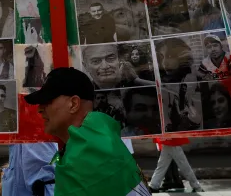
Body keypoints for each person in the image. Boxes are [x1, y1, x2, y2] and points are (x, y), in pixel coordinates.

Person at [25, 68, 148, 196]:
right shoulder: (100, 142)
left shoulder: (85, 156)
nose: (39, 109)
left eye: (47, 101)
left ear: (73, 104)